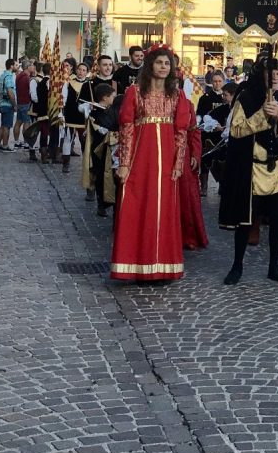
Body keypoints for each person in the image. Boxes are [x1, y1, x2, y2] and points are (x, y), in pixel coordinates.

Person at [112, 45, 195, 282]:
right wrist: (124, 162)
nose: (163, 67)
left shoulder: (177, 95)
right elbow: (126, 127)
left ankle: (163, 265)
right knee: (138, 205)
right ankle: (134, 264)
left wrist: (178, 163)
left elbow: (181, 131)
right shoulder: (134, 91)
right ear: (150, 65)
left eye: (167, 64)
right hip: (141, 157)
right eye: (159, 63)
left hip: (168, 157)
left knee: (164, 209)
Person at [220, 56, 278, 285]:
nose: (276, 77)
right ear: (261, 75)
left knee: (277, 219)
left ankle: (274, 266)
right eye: (270, 72)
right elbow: (235, 130)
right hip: (252, 167)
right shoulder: (245, 98)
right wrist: (260, 117)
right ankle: (237, 266)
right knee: (246, 220)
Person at [82, 82, 120, 217]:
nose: (114, 98)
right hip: (101, 149)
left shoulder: (110, 109)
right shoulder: (96, 112)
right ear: (105, 98)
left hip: (110, 149)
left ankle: (113, 203)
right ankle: (101, 204)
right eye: (112, 96)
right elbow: (101, 130)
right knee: (101, 177)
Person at [196, 70, 229, 194]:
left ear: (224, 82)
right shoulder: (206, 98)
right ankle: (204, 185)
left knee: (222, 160)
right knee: (206, 159)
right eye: (215, 81)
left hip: (223, 135)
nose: (217, 84)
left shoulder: (227, 96)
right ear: (211, 82)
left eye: (220, 81)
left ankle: (222, 184)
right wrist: (210, 126)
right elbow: (200, 115)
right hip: (208, 134)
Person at [59, 61, 87, 172]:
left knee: (85, 141)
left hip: (83, 117)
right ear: (76, 70)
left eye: (84, 70)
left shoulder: (89, 84)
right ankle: (65, 164)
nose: (81, 72)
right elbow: (63, 99)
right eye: (80, 69)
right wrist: (61, 113)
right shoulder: (68, 83)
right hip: (70, 115)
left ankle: (86, 165)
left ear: (86, 72)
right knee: (67, 139)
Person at [0, 58, 18, 151]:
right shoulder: (9, 77)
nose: (17, 67)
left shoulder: (2, 75)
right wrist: (14, 104)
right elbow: (10, 91)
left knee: (3, 125)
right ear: (11, 66)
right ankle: (5, 145)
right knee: (7, 126)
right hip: (7, 104)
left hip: (1, 103)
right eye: (16, 65)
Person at [15, 60, 34, 147]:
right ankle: (26, 142)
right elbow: (30, 91)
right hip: (25, 102)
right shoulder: (26, 78)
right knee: (27, 123)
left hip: (19, 102)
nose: (33, 67)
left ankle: (16, 141)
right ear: (28, 67)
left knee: (18, 122)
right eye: (32, 65)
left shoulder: (19, 75)